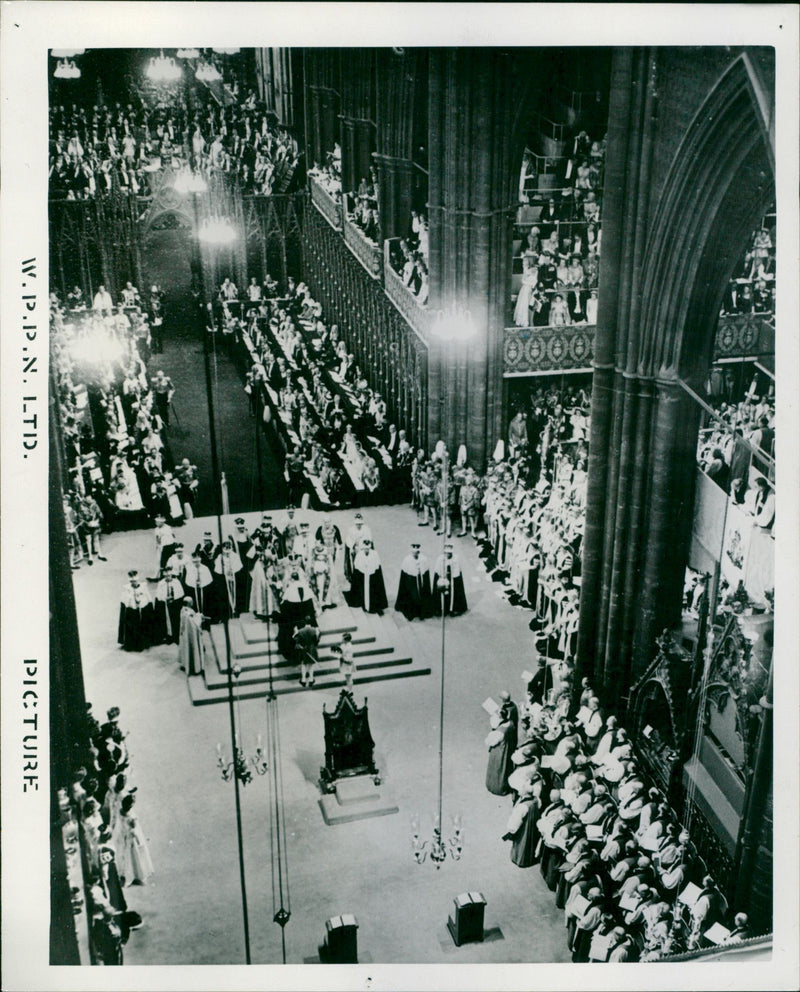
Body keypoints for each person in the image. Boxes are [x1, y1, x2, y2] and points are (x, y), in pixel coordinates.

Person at [116, 793, 154, 886]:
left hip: (126, 837)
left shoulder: (122, 812)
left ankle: (130, 875)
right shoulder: (131, 817)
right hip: (127, 837)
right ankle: (134, 874)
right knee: (131, 856)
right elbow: (134, 829)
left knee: (129, 856)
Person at [347, 539, 388, 614]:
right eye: (365, 549)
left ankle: (372, 605)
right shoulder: (359, 555)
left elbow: (377, 566)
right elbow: (357, 567)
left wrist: (370, 567)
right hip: (363, 576)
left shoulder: (375, 554)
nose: (367, 550)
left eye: (368, 549)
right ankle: (364, 604)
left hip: (372, 576)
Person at [394, 542, 433, 620]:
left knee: (421, 596)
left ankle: (422, 613)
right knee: (412, 596)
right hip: (411, 581)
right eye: (414, 552)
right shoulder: (407, 560)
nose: (416, 554)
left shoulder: (423, 559)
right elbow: (405, 575)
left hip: (420, 580)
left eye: (417, 552)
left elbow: (425, 572)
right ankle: (411, 613)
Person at [117, 571, 153, 652]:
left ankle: (142, 643)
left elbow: (148, 598)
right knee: (132, 627)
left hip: (142, 610)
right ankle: (131, 644)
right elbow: (124, 601)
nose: (134, 583)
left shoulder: (143, 587)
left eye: (135, 581)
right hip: (132, 610)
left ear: (137, 580)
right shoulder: (127, 589)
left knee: (143, 626)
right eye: (132, 581)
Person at [485, 708, 517, 796]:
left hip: (499, 751)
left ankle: (496, 787)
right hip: (507, 748)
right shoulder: (510, 723)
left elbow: (489, 741)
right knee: (506, 767)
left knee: (497, 768)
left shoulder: (499, 732)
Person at [433, 543, 468, 616]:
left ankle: (453, 608)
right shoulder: (440, 559)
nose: (448, 555)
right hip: (443, 578)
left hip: (452, 579)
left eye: (449, 553)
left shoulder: (456, 558)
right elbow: (438, 571)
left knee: (454, 592)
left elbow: (457, 571)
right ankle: (441, 609)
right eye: (446, 553)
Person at [153, 566, 185, 645]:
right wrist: (165, 598)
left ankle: (176, 636)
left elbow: (180, 593)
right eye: (166, 576)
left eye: (169, 576)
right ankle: (168, 636)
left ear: (172, 575)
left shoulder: (176, 582)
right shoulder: (161, 583)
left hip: (175, 604)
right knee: (166, 621)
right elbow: (158, 596)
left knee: (176, 620)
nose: (167, 577)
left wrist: (174, 598)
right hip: (165, 605)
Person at [178, 597, 206, 675]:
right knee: (193, 649)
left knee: (186, 649)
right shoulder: (188, 613)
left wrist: (197, 615)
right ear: (188, 603)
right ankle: (195, 668)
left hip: (185, 634)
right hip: (191, 635)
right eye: (191, 602)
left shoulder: (183, 610)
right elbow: (195, 623)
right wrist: (199, 617)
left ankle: (185, 664)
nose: (192, 603)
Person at [294, 621, 321, 688]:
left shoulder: (300, 631)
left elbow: (296, 640)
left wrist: (295, 632)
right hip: (312, 648)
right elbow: (317, 641)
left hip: (304, 648)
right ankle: (311, 679)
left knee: (304, 664)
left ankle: (303, 680)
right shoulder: (315, 630)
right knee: (311, 665)